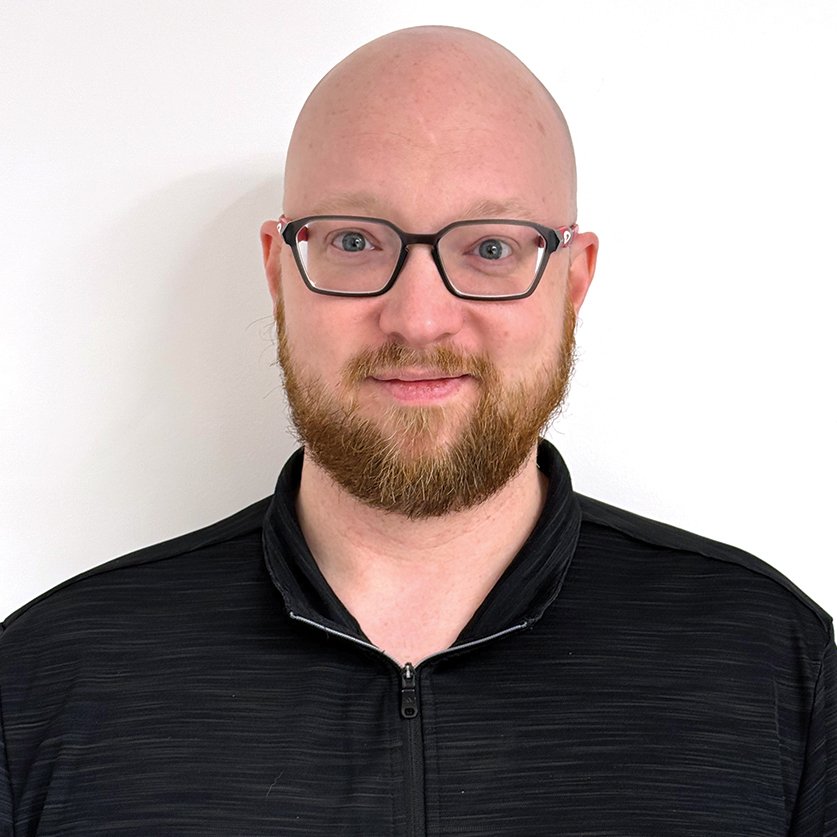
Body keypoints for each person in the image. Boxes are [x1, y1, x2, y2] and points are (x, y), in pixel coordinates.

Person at [1, 25, 834, 836]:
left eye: (491, 249)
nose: (419, 317)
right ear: (278, 271)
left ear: (573, 281)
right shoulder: (46, 683)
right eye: (355, 241)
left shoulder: (776, 666)